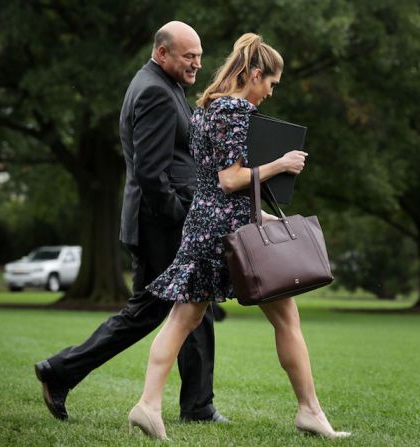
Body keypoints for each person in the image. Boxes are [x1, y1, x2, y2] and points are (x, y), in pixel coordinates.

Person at [127, 33, 351, 440]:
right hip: (226, 232)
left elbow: (213, 187)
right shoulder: (234, 111)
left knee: (183, 318)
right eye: (271, 83)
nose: (269, 92)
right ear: (255, 74)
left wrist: (263, 215)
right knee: (286, 319)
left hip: (205, 223)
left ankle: (147, 405)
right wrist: (280, 163)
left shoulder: (206, 109)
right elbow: (230, 180)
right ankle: (310, 412)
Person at [34, 21, 228, 424]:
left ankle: (195, 404)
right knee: (173, 308)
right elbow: (151, 174)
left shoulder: (164, 84)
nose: (197, 64)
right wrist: (184, 217)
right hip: (160, 223)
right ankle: (196, 407)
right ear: (162, 53)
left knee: (176, 309)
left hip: (160, 222)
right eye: (188, 56)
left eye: (199, 56)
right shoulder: (156, 92)